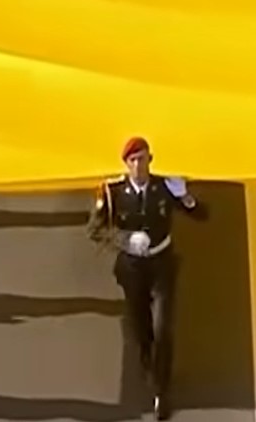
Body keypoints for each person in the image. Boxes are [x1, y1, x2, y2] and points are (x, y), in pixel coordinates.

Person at [87, 137, 204, 419]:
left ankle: (161, 391)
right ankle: (148, 365)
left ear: (151, 160)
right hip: (132, 268)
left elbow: (202, 215)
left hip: (161, 263)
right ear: (126, 164)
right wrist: (124, 238)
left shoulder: (164, 187)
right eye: (133, 160)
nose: (138, 165)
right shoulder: (114, 192)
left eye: (142, 159)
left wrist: (186, 198)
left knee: (163, 328)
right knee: (141, 330)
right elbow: (95, 230)